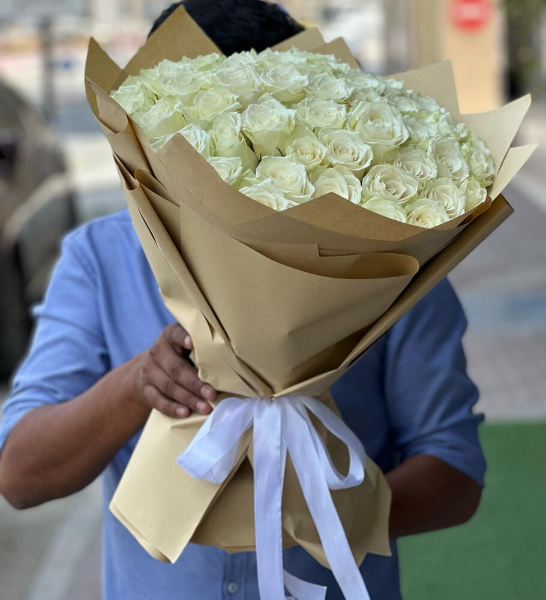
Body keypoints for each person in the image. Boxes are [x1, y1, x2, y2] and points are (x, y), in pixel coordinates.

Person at [0, 1, 486, 599]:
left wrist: (338, 514)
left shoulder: (391, 262)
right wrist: (137, 384)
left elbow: (456, 474)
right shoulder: (98, 259)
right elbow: (19, 475)